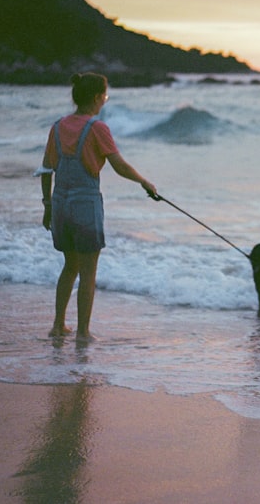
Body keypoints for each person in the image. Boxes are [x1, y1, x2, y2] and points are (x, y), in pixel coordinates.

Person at [36, 72, 158, 342]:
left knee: (70, 265)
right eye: (105, 95)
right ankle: (82, 333)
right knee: (88, 272)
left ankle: (58, 326)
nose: (105, 100)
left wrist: (47, 205)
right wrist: (144, 182)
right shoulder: (98, 128)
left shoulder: (57, 127)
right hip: (85, 204)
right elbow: (119, 165)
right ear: (95, 98)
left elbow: (46, 169)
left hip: (59, 203)